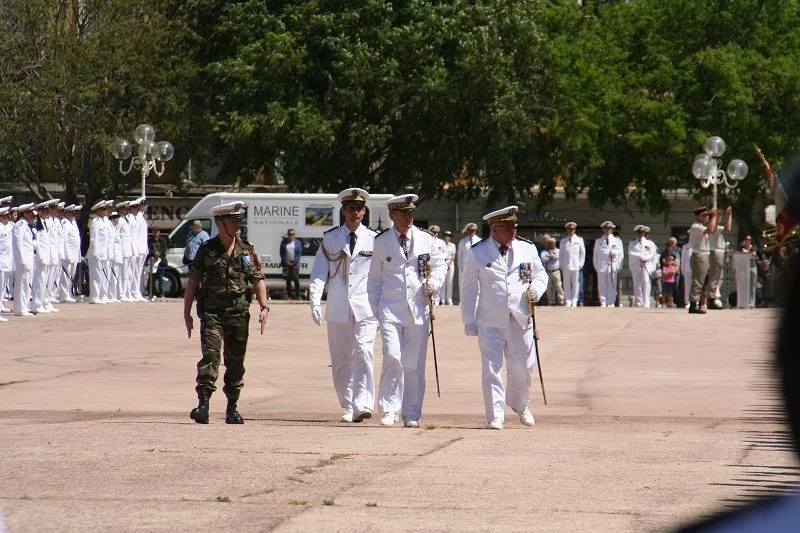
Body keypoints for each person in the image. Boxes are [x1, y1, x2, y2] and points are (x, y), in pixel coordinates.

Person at [460, 206, 548, 430]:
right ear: (495, 230)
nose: (513, 230)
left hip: (520, 316)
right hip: (490, 319)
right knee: (492, 368)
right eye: (508, 227)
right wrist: (468, 320)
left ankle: (520, 404)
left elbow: (540, 274)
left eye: (514, 226)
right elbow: (469, 288)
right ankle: (495, 415)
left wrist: (537, 289)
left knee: (523, 366)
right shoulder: (478, 252)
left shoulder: (527, 249)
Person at [183, 201, 269, 425]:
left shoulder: (247, 250)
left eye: (239, 220)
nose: (238, 225)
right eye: (233, 221)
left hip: (238, 314)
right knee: (211, 356)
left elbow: (258, 281)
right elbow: (192, 281)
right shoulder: (207, 249)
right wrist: (186, 312)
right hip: (212, 312)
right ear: (220, 224)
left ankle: (232, 407)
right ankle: (203, 405)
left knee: (236, 362)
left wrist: (264, 307)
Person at [367, 193, 446, 427]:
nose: (408, 217)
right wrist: (375, 313)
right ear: (392, 215)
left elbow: (440, 265)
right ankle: (390, 409)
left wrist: (435, 282)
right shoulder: (381, 242)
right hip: (390, 309)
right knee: (392, 356)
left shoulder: (425, 239)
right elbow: (373, 280)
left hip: (418, 309)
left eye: (410, 212)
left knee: (414, 365)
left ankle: (411, 412)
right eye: (403, 213)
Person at [309, 188, 379, 423]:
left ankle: (363, 402)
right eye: (350, 209)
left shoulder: (374, 238)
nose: (355, 213)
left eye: (359, 209)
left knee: (364, 352)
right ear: (343, 211)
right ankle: (348, 404)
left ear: (364, 211)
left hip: (366, 306)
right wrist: (315, 300)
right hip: (339, 305)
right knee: (341, 358)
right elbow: (320, 272)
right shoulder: (331, 238)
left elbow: (381, 275)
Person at [687, 206, 719, 314]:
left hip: (704, 255)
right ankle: (693, 304)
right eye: (704, 215)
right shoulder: (695, 226)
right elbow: (710, 229)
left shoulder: (701, 226)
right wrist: (713, 216)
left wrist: (716, 218)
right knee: (698, 280)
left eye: (706, 215)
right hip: (699, 255)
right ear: (698, 216)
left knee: (703, 281)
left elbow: (713, 230)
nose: (706, 217)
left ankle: (699, 302)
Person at [12, 203, 36, 317]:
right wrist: (22, 260)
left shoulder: (26, 225)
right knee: (21, 284)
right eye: (30, 213)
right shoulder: (20, 225)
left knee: (26, 283)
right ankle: (20, 308)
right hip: (23, 260)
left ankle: (24, 306)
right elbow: (18, 244)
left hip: (28, 259)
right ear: (25, 213)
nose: (33, 215)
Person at [593, 221, 624, 307]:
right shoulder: (599, 240)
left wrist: (618, 265)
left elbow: (621, 253)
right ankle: (603, 302)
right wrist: (596, 266)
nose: (607, 230)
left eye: (609, 229)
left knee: (612, 284)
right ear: (603, 229)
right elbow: (596, 255)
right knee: (602, 284)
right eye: (606, 228)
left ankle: (611, 302)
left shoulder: (617, 240)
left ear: (612, 230)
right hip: (602, 265)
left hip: (612, 265)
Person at [707, 206, 733, 309]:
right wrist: (719, 216)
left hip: (719, 252)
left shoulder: (716, 227)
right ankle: (711, 299)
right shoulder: (711, 228)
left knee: (716, 277)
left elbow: (728, 228)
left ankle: (712, 298)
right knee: (714, 277)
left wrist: (729, 215)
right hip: (715, 252)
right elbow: (719, 227)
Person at [628, 225, 656, 308]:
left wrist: (650, 263)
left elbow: (653, 254)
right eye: (639, 233)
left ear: (645, 233)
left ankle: (646, 302)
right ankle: (639, 302)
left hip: (646, 266)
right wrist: (640, 255)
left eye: (642, 233)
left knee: (646, 282)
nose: (640, 234)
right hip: (636, 266)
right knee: (637, 284)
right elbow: (631, 253)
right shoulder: (632, 243)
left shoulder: (650, 243)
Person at [559, 221, 585, 307]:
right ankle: (568, 301)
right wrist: (561, 265)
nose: (571, 231)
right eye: (569, 229)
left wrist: (580, 264)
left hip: (575, 265)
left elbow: (582, 253)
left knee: (575, 284)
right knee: (566, 284)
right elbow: (561, 254)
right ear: (567, 230)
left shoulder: (579, 240)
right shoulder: (563, 241)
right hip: (566, 265)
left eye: (572, 229)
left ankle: (574, 300)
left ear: (575, 230)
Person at [540, 236, 564, 305]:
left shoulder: (559, 251)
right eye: (550, 243)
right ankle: (550, 302)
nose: (552, 244)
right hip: (548, 271)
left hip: (556, 271)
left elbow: (557, 257)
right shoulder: (545, 251)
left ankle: (561, 301)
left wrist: (550, 257)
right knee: (548, 288)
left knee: (558, 286)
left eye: (553, 243)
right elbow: (543, 258)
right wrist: (549, 258)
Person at [279, 228, 302, 299]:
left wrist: (294, 262)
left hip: (295, 264)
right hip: (286, 264)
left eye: (293, 234)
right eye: (290, 234)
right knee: (288, 281)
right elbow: (282, 253)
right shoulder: (283, 243)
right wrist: (286, 261)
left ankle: (298, 296)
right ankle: (289, 296)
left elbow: (299, 253)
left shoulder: (298, 242)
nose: (291, 235)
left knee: (296, 280)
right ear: (288, 234)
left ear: (294, 235)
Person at [427, 225, 447, 304]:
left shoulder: (441, 242)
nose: (434, 234)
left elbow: (445, 253)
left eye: (436, 232)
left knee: (438, 281)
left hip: (438, 263)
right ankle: (431, 300)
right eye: (433, 232)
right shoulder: (426, 240)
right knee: (428, 283)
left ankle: (437, 301)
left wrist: (440, 258)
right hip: (428, 264)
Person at [148, 228, 168, 300]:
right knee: (151, 278)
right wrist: (154, 253)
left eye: (157, 232)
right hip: (152, 261)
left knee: (160, 277)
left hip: (161, 261)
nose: (156, 233)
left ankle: (161, 293)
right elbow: (148, 248)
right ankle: (151, 293)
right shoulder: (149, 240)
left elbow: (164, 249)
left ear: (159, 232)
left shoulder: (163, 240)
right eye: (154, 232)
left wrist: (159, 253)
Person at [0, 206, 12, 322]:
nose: (7, 218)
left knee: (1, 288)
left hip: (6, 262)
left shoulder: (4, 228)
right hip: (1, 262)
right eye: (5, 215)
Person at [441, 230, 457, 305]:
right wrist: (444, 263)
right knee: (443, 282)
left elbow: (453, 255)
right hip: (442, 262)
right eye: (446, 235)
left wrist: (449, 264)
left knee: (450, 282)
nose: (447, 237)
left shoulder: (452, 245)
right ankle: (442, 299)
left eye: (449, 236)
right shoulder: (441, 244)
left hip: (450, 263)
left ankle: (449, 299)